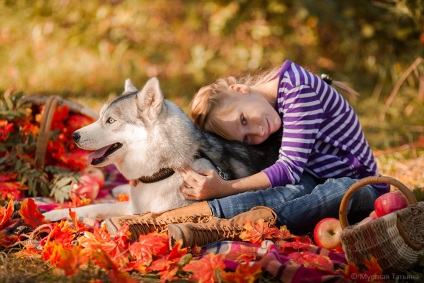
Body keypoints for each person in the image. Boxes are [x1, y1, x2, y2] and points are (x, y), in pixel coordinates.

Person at [111, 60, 388, 247]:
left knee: (330, 191)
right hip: (311, 177)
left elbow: (289, 168)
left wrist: (224, 187)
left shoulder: (299, 91)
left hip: (361, 188)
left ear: (240, 89)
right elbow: (204, 143)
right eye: (245, 136)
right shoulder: (271, 102)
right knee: (283, 192)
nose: (256, 132)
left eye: (244, 119)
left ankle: (217, 228)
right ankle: (163, 222)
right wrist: (153, 170)